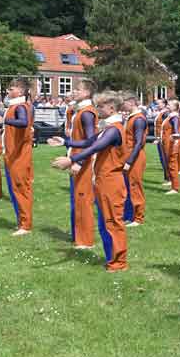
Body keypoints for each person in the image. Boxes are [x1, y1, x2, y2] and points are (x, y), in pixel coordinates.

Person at [52, 92, 129, 271]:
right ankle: (112, 259)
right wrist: (65, 142)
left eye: (101, 106)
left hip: (111, 181)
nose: (97, 110)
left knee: (112, 222)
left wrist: (71, 160)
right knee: (104, 222)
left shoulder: (114, 129)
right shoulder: (106, 128)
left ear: (111, 108)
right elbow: (88, 142)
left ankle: (119, 262)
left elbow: (95, 147)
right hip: (103, 180)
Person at [48, 80, 98, 249]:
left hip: (82, 163)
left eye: (78, 89)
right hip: (76, 159)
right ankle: (78, 236)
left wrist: (80, 162)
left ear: (87, 93)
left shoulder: (86, 113)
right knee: (77, 200)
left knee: (83, 201)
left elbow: (91, 141)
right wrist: (65, 142)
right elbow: (80, 139)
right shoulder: (80, 111)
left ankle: (86, 240)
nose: (74, 91)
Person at [0, 78, 34, 236]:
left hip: (19, 156)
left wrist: (4, 120)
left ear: (20, 91)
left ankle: (25, 225)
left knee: (21, 189)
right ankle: (22, 222)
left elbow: (23, 122)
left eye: (11, 89)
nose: (8, 92)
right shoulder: (14, 106)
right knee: (16, 190)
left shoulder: (20, 106)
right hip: (12, 154)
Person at [122, 93, 147, 227]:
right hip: (128, 154)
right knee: (127, 186)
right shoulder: (131, 118)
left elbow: (138, 143)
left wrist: (129, 161)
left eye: (124, 102)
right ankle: (129, 215)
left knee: (135, 185)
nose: (123, 105)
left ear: (131, 102)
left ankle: (138, 217)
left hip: (135, 156)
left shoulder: (138, 119)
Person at [161, 100, 180, 194]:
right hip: (166, 144)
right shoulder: (170, 116)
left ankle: (175, 188)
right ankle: (172, 184)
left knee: (172, 164)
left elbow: (176, 131)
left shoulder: (174, 117)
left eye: (170, 104)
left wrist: (175, 143)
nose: (168, 105)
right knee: (170, 164)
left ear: (175, 107)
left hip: (171, 145)